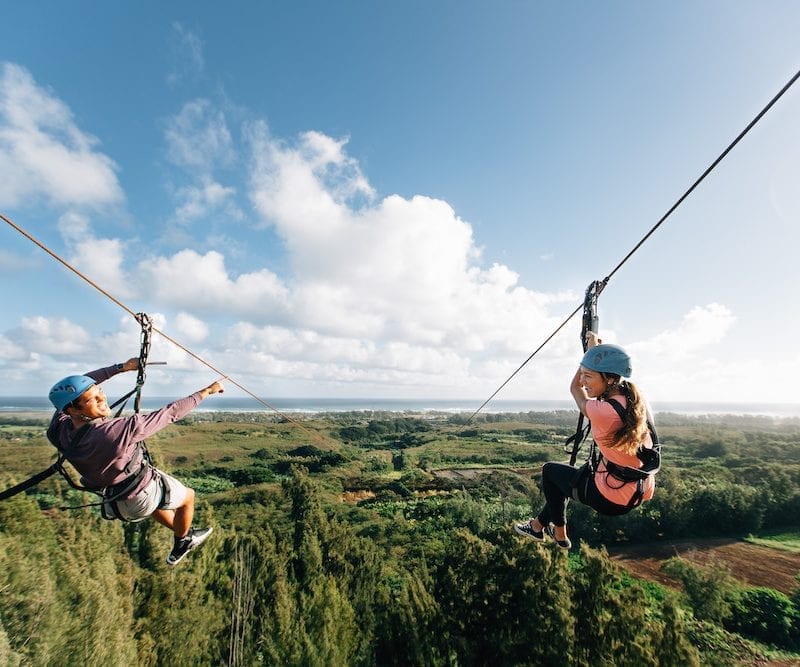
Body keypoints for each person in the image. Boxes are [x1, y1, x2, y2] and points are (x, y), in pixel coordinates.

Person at [46, 359, 225, 565]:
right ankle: (183, 541)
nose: (102, 398)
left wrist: (121, 368)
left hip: (118, 502)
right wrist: (207, 391)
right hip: (140, 496)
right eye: (93, 400)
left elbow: (82, 384)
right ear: (73, 411)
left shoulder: (57, 431)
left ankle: (179, 533)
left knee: (160, 503)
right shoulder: (116, 431)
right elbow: (170, 413)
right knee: (188, 497)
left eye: (100, 392)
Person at [515, 332, 656, 549]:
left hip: (610, 498)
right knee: (573, 478)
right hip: (637, 490)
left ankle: (560, 532)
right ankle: (537, 525)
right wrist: (593, 355)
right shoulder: (636, 401)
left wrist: (590, 352)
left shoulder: (604, 411)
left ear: (609, 378)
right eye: (583, 374)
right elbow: (593, 383)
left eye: (588, 376)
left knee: (550, 472)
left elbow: (575, 390)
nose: (583, 380)